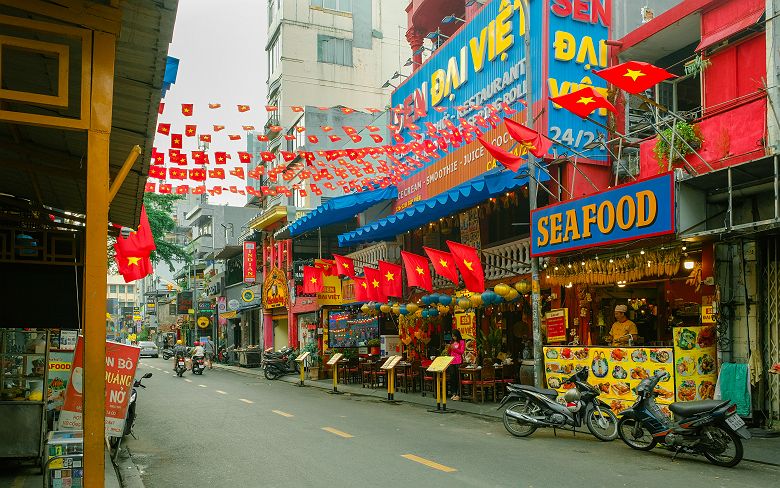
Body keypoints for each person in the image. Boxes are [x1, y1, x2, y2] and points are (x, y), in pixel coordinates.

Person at [448, 329, 466, 401]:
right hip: (452, 361)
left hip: (458, 361)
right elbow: (450, 352)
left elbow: (461, 352)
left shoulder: (461, 342)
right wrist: (449, 348)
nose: (453, 338)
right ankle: (453, 393)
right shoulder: (452, 342)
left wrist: (454, 349)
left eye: (454, 336)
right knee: (452, 378)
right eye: (452, 336)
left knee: (458, 378)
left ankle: (459, 394)